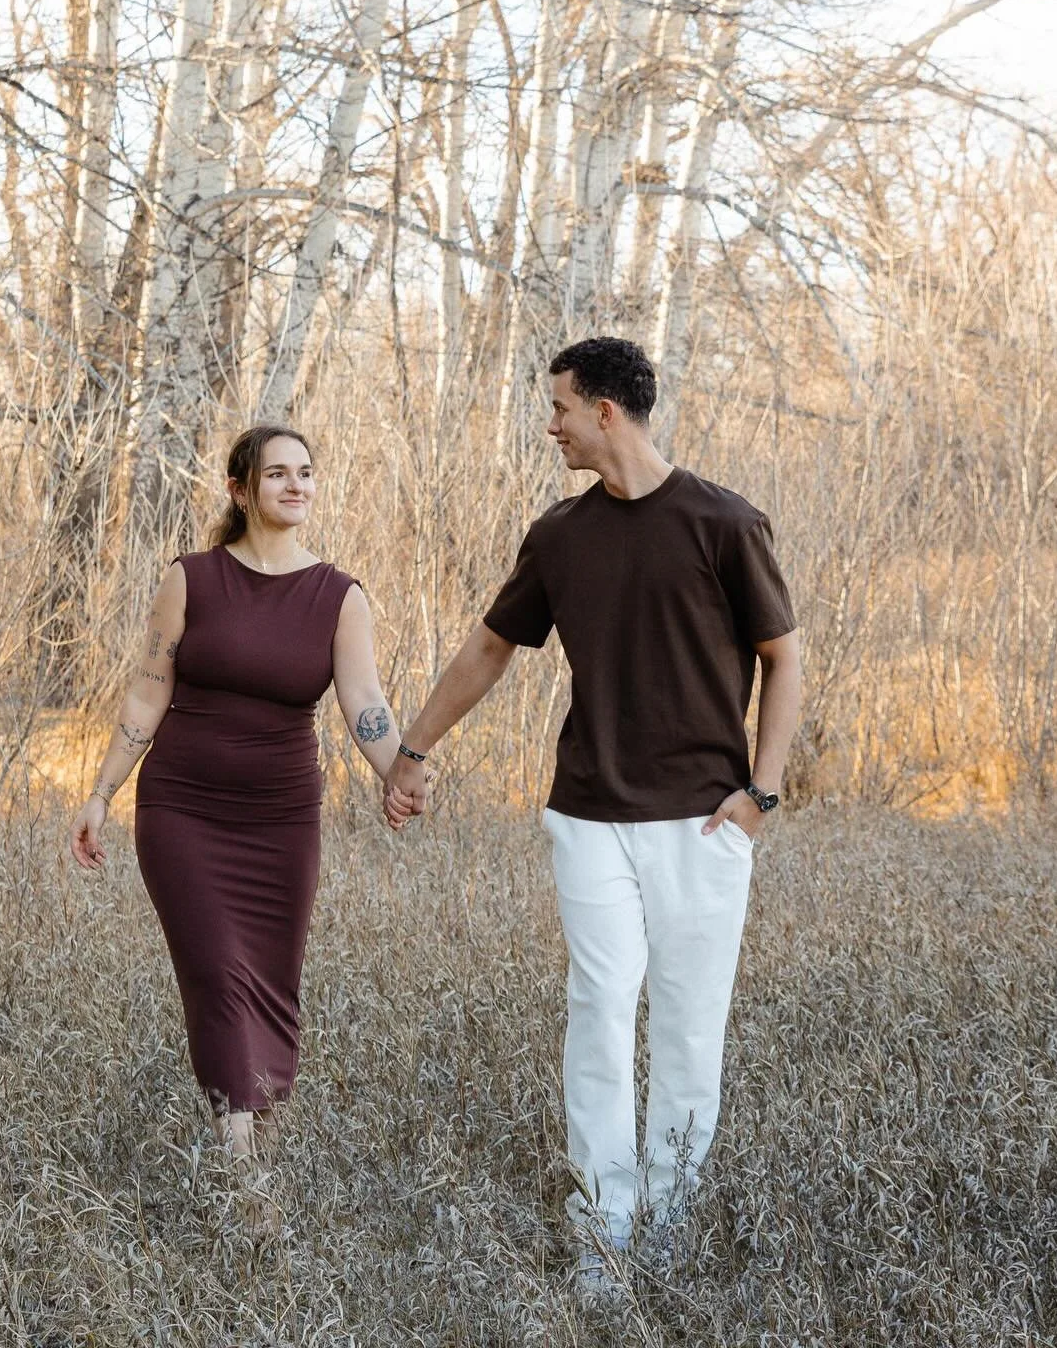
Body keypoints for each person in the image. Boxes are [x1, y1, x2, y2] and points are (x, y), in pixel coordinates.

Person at [384, 337, 801, 1294]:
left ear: (606, 410)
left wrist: (760, 796)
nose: (552, 424)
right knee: (601, 1010)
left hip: (705, 822)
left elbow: (786, 658)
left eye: (562, 408)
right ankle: (605, 1231)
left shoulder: (725, 523)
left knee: (690, 1027)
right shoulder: (560, 537)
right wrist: (413, 750)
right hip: (589, 814)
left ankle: (672, 1224)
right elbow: (488, 651)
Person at [70, 423, 406, 1197]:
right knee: (220, 975)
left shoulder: (339, 596)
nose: (297, 486)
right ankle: (241, 1175)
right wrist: (100, 793)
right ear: (240, 489)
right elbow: (148, 690)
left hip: (283, 820)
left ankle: (264, 1129)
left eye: (307, 473)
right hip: (182, 810)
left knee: (272, 982)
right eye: (279, 474)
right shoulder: (191, 579)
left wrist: (402, 772)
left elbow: (365, 704)